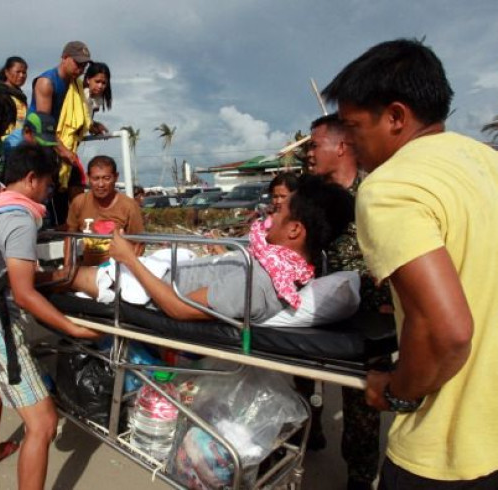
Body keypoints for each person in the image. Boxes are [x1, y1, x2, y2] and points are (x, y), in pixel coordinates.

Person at [322, 38, 498, 489]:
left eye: (354, 127)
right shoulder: (486, 162)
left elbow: (449, 330)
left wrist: (397, 390)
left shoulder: (391, 187)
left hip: (449, 449)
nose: (351, 143)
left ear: (396, 116)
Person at [0, 143, 101, 488]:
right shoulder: (20, 218)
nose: (49, 191)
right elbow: (23, 292)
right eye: (48, 184)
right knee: (43, 424)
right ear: (32, 179)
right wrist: (72, 329)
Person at [66, 175, 354, 323]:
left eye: (280, 211)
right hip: (169, 270)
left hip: (153, 290)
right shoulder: (282, 265)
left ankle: (24, 284)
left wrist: (129, 257)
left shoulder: (259, 284)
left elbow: (177, 308)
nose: (271, 215)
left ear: (295, 230)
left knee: (72, 275)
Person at [304, 113, 393, 490]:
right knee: (303, 379)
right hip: (315, 308)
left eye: (314, 145)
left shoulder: (377, 194)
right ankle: (310, 429)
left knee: (361, 402)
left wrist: (391, 301)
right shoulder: (309, 196)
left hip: (369, 312)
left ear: (340, 147)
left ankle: (359, 475)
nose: (308, 153)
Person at [65, 155, 144, 266]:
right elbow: (70, 235)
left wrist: (130, 272)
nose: (101, 184)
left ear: (115, 177)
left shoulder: (129, 206)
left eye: (106, 178)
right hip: (89, 271)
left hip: (118, 271)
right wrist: (68, 267)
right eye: (95, 178)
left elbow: (139, 244)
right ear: (88, 178)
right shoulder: (79, 202)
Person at [29, 41, 91, 180]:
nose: (81, 69)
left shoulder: (74, 84)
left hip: (54, 144)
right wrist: (64, 151)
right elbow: (43, 127)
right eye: (78, 63)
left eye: (84, 66)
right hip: (35, 144)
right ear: (64, 58)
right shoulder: (47, 82)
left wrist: (92, 124)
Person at [0, 56, 29, 154]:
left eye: (24, 72)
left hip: (22, 143)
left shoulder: (20, 96)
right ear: (7, 72)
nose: (22, 75)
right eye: (18, 72)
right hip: (7, 143)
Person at [83, 62, 112, 135]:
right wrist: (91, 127)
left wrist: (95, 124)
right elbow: (77, 120)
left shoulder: (97, 99)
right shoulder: (82, 95)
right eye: (97, 81)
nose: (100, 86)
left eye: (103, 83)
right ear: (88, 80)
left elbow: (86, 118)